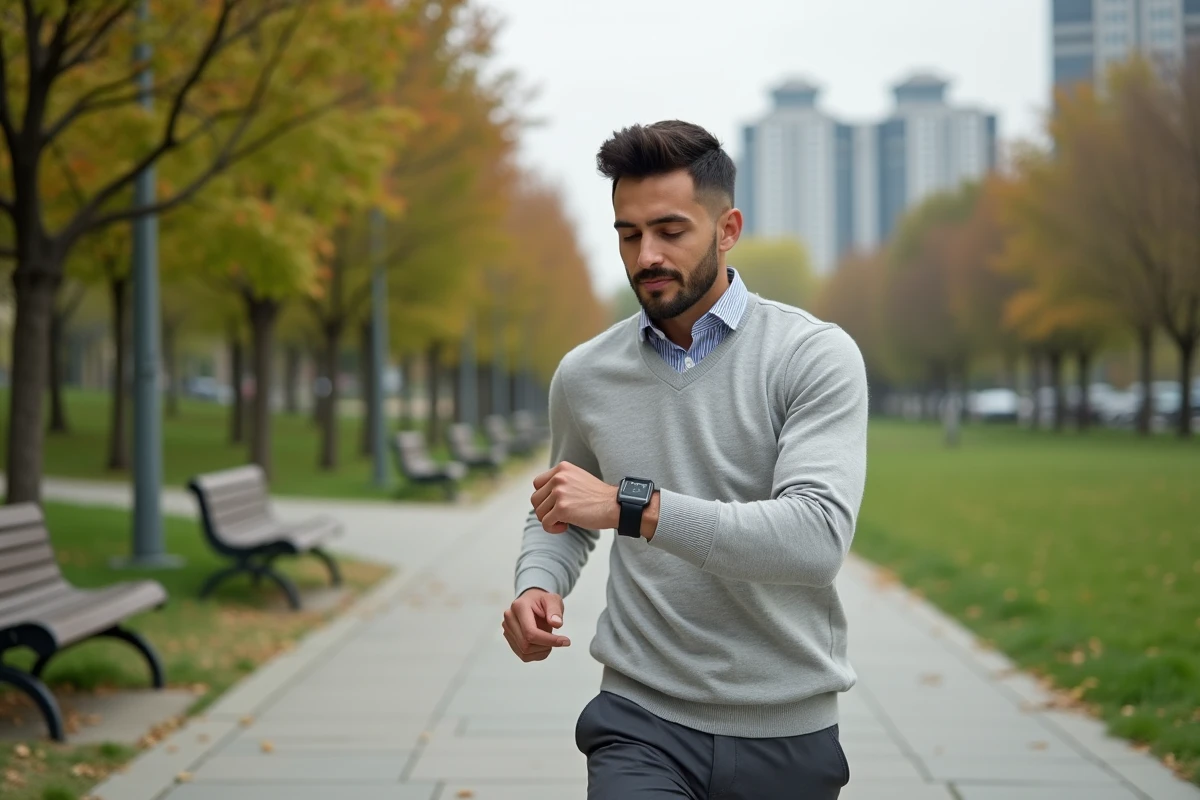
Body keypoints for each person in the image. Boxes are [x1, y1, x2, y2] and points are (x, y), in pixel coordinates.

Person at [501, 119, 868, 799]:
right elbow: (564, 512)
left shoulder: (813, 356)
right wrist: (535, 584)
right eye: (629, 234)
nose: (647, 256)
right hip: (641, 720)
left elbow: (815, 539)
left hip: (786, 728)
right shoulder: (584, 375)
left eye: (671, 231)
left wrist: (630, 506)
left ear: (727, 229)